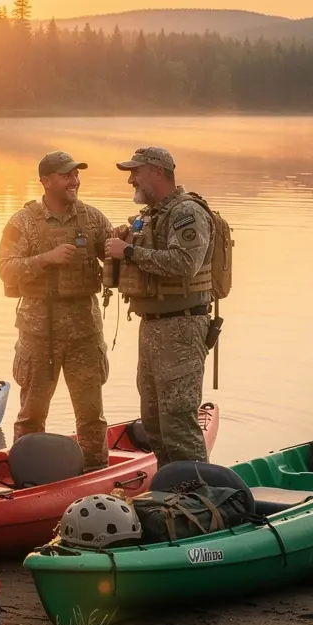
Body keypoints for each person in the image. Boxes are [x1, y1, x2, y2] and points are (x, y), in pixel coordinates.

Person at [0, 150, 113, 470]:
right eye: (66, 175)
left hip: (85, 332)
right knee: (31, 415)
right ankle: (26, 475)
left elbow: (114, 255)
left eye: (76, 175)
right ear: (46, 181)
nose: (74, 181)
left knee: (91, 415)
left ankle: (95, 472)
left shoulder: (92, 218)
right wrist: (44, 259)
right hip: (39, 334)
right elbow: (5, 269)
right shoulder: (23, 222)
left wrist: (126, 244)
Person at [105, 146, 214, 465]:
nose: (131, 180)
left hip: (181, 327)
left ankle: (199, 496)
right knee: (153, 421)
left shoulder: (186, 212)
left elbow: (185, 264)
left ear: (157, 172)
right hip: (151, 325)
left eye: (135, 172)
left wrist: (128, 252)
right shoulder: (150, 216)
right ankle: (171, 492)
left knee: (178, 421)